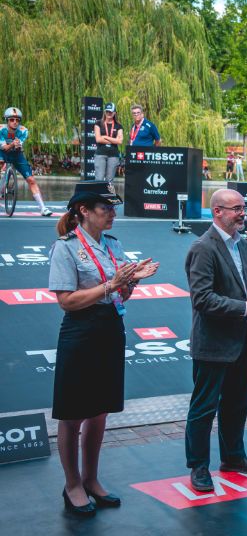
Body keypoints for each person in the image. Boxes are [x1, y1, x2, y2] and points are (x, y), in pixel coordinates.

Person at [48, 181, 158, 516]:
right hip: (81, 331)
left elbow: (119, 294)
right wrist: (111, 283)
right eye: (105, 208)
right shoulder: (65, 248)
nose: (112, 213)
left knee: (99, 411)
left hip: (111, 327)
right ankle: (72, 485)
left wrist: (131, 281)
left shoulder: (112, 244)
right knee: (73, 414)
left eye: (113, 207)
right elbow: (66, 302)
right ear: (83, 210)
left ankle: (92, 479)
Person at [184, 189, 247, 492]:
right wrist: (245, 308)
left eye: (244, 208)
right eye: (236, 209)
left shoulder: (242, 246)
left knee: (237, 405)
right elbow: (202, 300)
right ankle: (198, 467)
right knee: (204, 408)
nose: (243, 213)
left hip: (241, 341)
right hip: (213, 344)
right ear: (217, 212)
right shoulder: (203, 248)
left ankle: (233, 458)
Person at [0, 107, 52, 215]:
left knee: (31, 180)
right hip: (2, 153)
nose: (15, 122)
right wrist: (13, 144)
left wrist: (18, 146)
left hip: (17, 155)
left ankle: (43, 208)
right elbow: (4, 148)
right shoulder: (0, 129)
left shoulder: (23, 130)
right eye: (12, 119)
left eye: (17, 120)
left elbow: (19, 147)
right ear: (6, 120)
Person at [92, 104, 123, 182]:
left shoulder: (118, 125)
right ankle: (98, 194)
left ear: (115, 113)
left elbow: (120, 141)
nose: (109, 113)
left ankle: (108, 194)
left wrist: (106, 137)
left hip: (113, 155)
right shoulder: (98, 123)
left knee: (110, 180)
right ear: (104, 112)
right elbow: (98, 139)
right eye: (107, 111)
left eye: (111, 112)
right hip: (100, 154)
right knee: (99, 178)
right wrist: (114, 140)